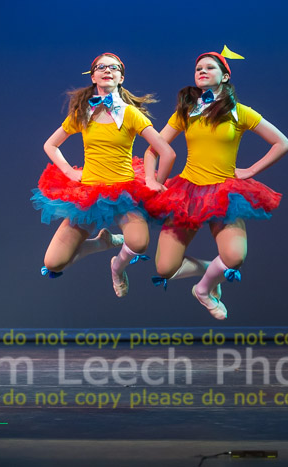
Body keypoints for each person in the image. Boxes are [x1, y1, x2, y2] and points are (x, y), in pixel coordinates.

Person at [144, 49, 288, 319]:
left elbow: (282, 143)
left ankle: (203, 290)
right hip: (187, 192)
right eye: (198, 68)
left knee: (235, 257)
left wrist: (250, 170)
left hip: (223, 193)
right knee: (165, 268)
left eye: (209, 67)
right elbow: (154, 148)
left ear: (225, 76)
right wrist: (151, 179)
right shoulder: (187, 111)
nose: (202, 71)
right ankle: (209, 271)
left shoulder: (240, 112)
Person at [32, 53, 176, 297]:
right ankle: (103, 242)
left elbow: (167, 152)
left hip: (124, 191)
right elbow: (50, 144)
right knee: (53, 263)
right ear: (93, 76)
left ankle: (117, 267)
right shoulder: (83, 113)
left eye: (114, 67)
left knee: (139, 243)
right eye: (101, 67)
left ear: (121, 77)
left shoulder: (130, 114)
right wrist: (68, 171)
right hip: (89, 194)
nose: (107, 70)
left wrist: (154, 181)